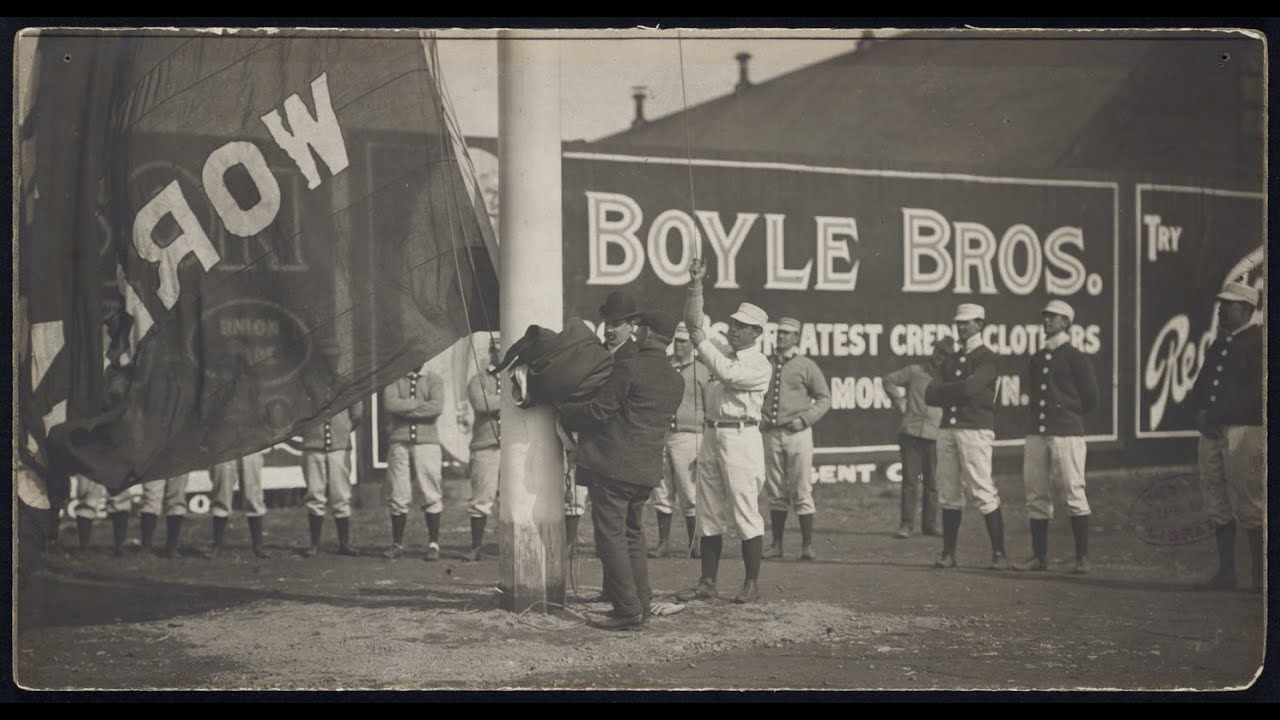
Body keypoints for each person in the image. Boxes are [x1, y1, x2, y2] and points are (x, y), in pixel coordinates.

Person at [559, 309, 684, 630]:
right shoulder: (675, 378)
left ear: (647, 334)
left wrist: (562, 411)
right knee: (632, 536)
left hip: (613, 470)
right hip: (646, 472)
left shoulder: (629, 368)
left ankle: (628, 610)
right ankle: (640, 602)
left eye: (641, 327)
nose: (636, 331)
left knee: (610, 539)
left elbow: (600, 410)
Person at [675, 256, 772, 604]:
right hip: (713, 433)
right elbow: (694, 326)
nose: (733, 328)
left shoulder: (759, 363)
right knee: (709, 509)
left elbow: (729, 374)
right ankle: (707, 581)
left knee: (745, 508)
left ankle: (751, 583)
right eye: (733, 322)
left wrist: (702, 345)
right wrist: (696, 285)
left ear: (757, 333)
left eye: (742, 326)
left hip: (743, 436)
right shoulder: (723, 350)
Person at [1188, 281, 1264, 592]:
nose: (1222, 309)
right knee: (1214, 494)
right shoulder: (1220, 343)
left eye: (1229, 304)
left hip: (1245, 429)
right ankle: (1227, 572)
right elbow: (1202, 383)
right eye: (1221, 304)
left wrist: (1213, 414)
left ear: (1247, 309)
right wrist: (1199, 411)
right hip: (1213, 431)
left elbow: (1256, 395)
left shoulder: (1259, 341)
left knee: (1249, 500)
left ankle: (1261, 577)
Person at [1014, 300, 1100, 574]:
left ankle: (1082, 557)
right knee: (1036, 492)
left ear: (1066, 323)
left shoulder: (1075, 356)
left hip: (1066, 432)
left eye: (1054, 317)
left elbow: (1091, 399)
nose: (1047, 321)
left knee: (1073, 490)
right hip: (1037, 432)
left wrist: (1066, 413)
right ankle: (1040, 557)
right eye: (1046, 316)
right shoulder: (1038, 357)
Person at [924, 303, 1009, 570]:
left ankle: (999, 553)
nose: (962, 327)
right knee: (949, 492)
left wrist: (948, 390)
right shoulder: (952, 358)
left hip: (975, 428)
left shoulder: (987, 357)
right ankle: (948, 553)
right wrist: (956, 389)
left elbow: (971, 389)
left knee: (982, 489)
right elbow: (929, 394)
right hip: (948, 428)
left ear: (980, 324)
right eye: (959, 322)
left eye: (968, 322)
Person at [566, 291, 641, 555]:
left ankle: (630, 592)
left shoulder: (635, 357)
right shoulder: (595, 353)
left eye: (617, 324)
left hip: (624, 451)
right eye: (607, 323)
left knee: (627, 526)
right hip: (597, 451)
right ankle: (613, 588)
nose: (610, 329)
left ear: (632, 326)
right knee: (604, 526)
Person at [761, 317, 830, 561]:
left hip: (798, 433)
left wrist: (804, 420)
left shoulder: (805, 365)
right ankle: (777, 544)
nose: (781, 337)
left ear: (796, 337)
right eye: (779, 332)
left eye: (787, 333)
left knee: (801, 488)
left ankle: (807, 545)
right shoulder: (766, 363)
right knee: (775, 490)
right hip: (771, 433)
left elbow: (824, 398)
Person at [649, 322, 706, 559]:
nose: (679, 345)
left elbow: (710, 405)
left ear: (693, 343)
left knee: (690, 492)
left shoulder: (702, 370)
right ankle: (664, 543)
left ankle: (695, 544)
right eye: (677, 341)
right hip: (664, 434)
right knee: (662, 492)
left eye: (684, 341)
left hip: (689, 436)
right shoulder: (665, 366)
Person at [881, 344, 946, 539]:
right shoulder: (915, 371)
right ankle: (906, 524)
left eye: (946, 354)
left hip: (936, 435)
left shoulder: (950, 377)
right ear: (933, 351)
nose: (940, 356)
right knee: (910, 481)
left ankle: (930, 525)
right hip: (910, 433)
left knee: (932, 482)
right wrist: (899, 401)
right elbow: (888, 380)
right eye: (938, 351)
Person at [381, 363, 445, 560]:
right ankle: (397, 544)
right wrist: (419, 403)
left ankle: (433, 544)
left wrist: (405, 406)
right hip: (399, 441)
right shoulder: (394, 378)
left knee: (430, 491)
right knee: (398, 492)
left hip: (428, 443)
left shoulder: (434, 379)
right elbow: (390, 404)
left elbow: (436, 408)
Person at [300, 401, 364, 557]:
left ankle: (344, 544)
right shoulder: (305, 382)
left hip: (339, 445)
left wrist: (343, 429)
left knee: (341, 493)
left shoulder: (347, 382)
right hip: (312, 444)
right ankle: (314, 544)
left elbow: (357, 413)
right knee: (314, 492)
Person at [464, 336, 503, 561]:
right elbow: (481, 404)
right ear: (491, 351)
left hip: (512, 446)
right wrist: (506, 401)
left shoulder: (514, 375)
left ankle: (511, 544)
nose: (500, 353)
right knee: (482, 497)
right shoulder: (478, 378)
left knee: (512, 498)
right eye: (496, 349)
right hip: (485, 444)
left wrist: (495, 402)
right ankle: (476, 546)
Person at [206, 449, 270, 559]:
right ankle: (217, 545)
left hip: (250, 443)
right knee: (221, 493)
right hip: (223, 444)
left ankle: (258, 546)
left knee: (253, 494)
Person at [139, 474, 190, 558]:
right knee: (150, 498)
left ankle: (171, 547)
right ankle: (146, 547)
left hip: (180, 462)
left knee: (177, 498)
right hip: (154, 462)